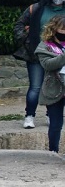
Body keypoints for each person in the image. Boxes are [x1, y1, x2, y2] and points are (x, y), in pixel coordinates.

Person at [14, 0, 65, 129]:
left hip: (59, 54)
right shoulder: (36, 8)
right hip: (37, 53)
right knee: (35, 87)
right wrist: (26, 38)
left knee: (55, 86)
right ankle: (29, 115)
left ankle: (52, 115)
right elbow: (19, 26)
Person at [34, 15, 65, 153]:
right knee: (56, 124)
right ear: (54, 29)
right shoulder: (44, 46)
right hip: (54, 89)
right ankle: (53, 152)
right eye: (63, 29)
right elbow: (47, 65)